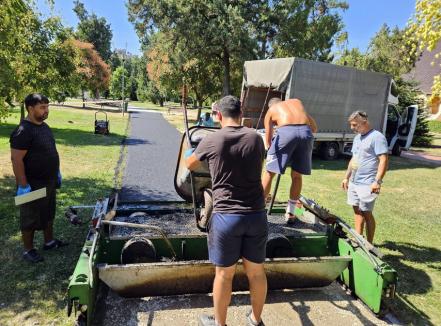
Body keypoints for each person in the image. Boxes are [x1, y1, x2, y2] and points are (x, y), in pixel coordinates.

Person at [186, 95, 267, 326]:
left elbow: (190, 165)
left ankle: (219, 324)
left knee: (224, 275)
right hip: (256, 215)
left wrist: (190, 153)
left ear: (219, 116)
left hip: (226, 217)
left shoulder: (213, 139)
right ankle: (255, 319)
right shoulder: (256, 139)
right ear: (240, 115)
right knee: (257, 273)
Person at [10, 93, 67, 263]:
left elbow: (50, 150)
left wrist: (56, 172)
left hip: (49, 180)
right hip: (32, 183)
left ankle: (49, 242)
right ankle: (28, 250)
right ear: (30, 108)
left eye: (47, 106)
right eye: (42, 107)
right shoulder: (23, 131)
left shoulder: (44, 126)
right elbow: (16, 159)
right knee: (30, 217)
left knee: (48, 213)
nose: (46, 110)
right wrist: (23, 185)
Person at [261, 98, 317, 224]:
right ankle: (290, 212)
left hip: (286, 133)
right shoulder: (296, 103)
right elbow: (314, 128)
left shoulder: (271, 110)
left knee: (269, 173)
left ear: (271, 106)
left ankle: (257, 210)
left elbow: (268, 140)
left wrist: (272, 153)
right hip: (306, 133)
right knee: (297, 175)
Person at [341, 110, 388, 244]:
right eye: (351, 125)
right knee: (357, 211)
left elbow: (383, 160)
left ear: (364, 122)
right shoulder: (357, 138)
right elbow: (353, 159)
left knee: (367, 213)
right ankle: (358, 239)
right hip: (354, 182)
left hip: (368, 183)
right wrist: (346, 177)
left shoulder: (377, 137)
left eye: (355, 125)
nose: (352, 128)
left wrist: (377, 181)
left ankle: (369, 245)